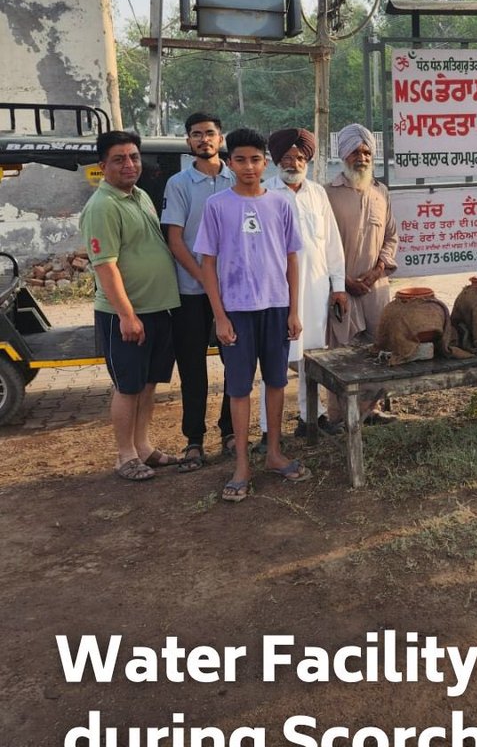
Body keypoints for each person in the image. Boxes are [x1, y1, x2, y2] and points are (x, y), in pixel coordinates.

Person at [194, 127, 308, 502]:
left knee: (276, 382)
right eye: (240, 159)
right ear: (229, 163)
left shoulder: (281, 203)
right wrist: (220, 316)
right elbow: (207, 264)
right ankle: (242, 464)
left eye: (255, 160)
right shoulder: (217, 206)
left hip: (276, 308)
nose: (248, 166)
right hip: (237, 312)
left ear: (265, 163)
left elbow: (292, 258)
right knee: (239, 388)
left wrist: (294, 309)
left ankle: (274, 453)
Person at [80, 130, 181, 481]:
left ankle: (143, 447)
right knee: (128, 387)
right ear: (102, 165)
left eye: (134, 157)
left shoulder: (140, 196)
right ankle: (125, 456)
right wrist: (127, 314)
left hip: (156, 310)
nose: (129, 164)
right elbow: (105, 265)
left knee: (148, 384)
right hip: (126, 315)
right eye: (119, 158)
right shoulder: (103, 206)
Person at [258, 127, 348, 437]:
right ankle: (269, 430)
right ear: (275, 160)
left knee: (312, 358)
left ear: (307, 161)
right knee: (275, 361)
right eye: (286, 157)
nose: (293, 163)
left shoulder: (317, 193)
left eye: (299, 158)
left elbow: (332, 243)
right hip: (275, 293)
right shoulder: (263, 193)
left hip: (315, 288)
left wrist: (338, 287)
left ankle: (312, 418)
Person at [160, 111, 235, 469]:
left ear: (220, 138)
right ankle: (194, 439)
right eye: (196, 135)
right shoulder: (178, 184)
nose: (203, 139)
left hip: (234, 292)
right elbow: (175, 240)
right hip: (191, 291)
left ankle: (231, 431)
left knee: (235, 361)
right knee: (192, 367)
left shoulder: (238, 178)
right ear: (188, 141)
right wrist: (206, 280)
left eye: (209, 133)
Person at [325, 123, 398, 429]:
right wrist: (341, 281)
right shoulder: (327, 194)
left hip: (376, 288)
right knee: (341, 354)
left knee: (379, 348)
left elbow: (391, 237)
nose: (362, 157)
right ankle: (340, 417)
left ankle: (371, 410)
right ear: (343, 154)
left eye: (367, 151)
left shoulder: (381, 192)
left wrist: (379, 269)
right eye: (356, 151)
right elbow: (321, 244)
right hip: (340, 290)